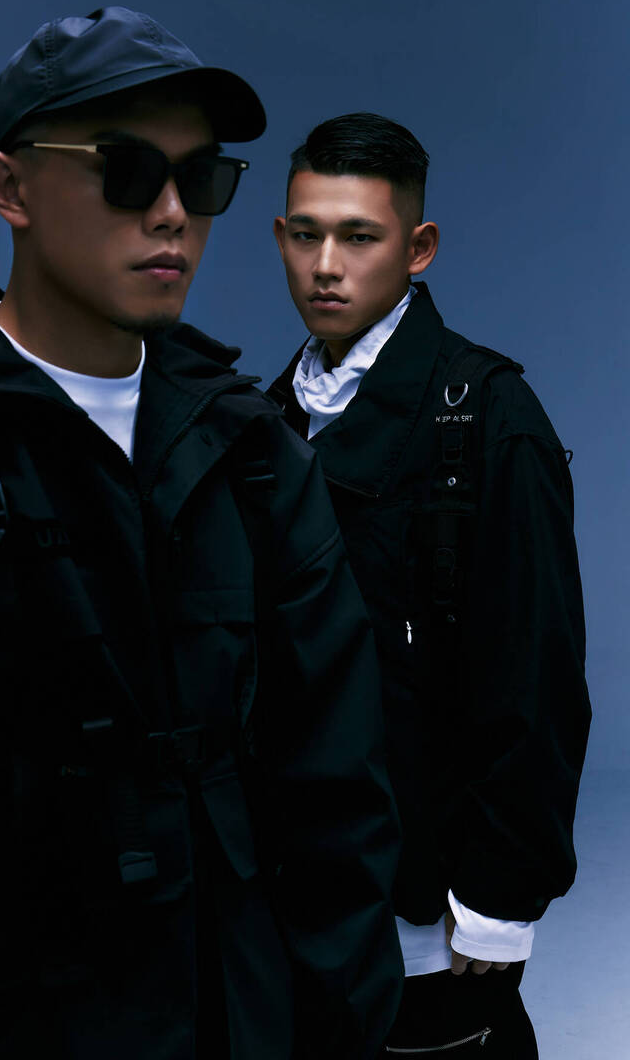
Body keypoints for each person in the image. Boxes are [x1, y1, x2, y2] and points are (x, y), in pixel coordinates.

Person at [0, 15, 402, 1059]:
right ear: (9, 188)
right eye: (128, 171)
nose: (172, 212)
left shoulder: (251, 452)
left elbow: (337, 810)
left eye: (203, 179)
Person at [267, 112, 591, 1057]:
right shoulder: (261, 419)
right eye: (305, 234)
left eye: (359, 237)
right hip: (288, 897)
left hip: (430, 913)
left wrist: (500, 900)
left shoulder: (488, 417)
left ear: (419, 249)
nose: (326, 266)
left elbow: (537, 671)